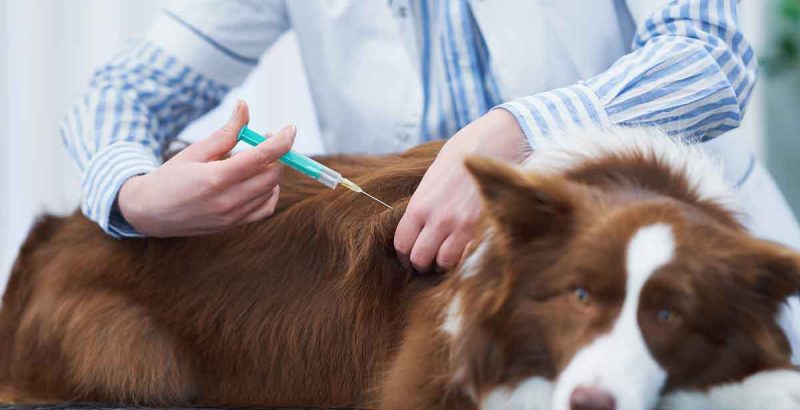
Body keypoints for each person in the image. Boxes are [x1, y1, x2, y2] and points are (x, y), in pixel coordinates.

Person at [62, 0, 800, 275]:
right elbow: (121, 94)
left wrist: (519, 135)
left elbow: (709, 55)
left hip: (674, 277)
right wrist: (136, 193)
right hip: (433, 308)